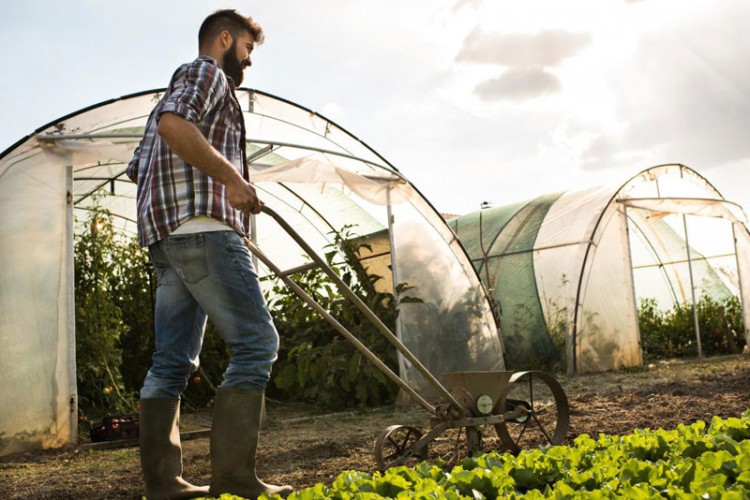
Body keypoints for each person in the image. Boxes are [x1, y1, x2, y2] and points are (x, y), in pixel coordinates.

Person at [126, 9, 292, 500]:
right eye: (247, 48)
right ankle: (236, 480)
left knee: (171, 361)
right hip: (203, 230)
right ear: (225, 38)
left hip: (167, 239)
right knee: (257, 344)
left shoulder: (167, 97)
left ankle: (164, 483)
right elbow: (176, 127)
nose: (248, 60)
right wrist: (233, 181)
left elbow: (140, 166)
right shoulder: (204, 72)